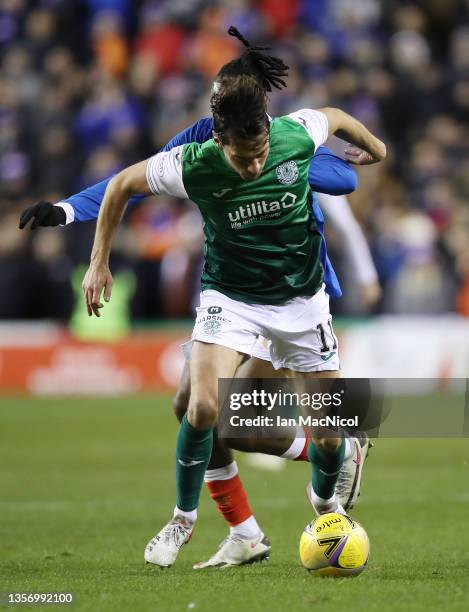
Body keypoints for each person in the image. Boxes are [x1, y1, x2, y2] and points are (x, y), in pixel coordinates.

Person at [20, 28, 384, 568]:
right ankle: (216, 525)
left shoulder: (292, 137)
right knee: (197, 407)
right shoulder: (195, 151)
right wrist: (71, 214)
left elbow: (339, 159)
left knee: (242, 425)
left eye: (261, 150)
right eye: (243, 154)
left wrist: (371, 152)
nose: (255, 165)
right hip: (232, 296)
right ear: (218, 128)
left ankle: (325, 478)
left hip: (297, 297)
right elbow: (125, 183)